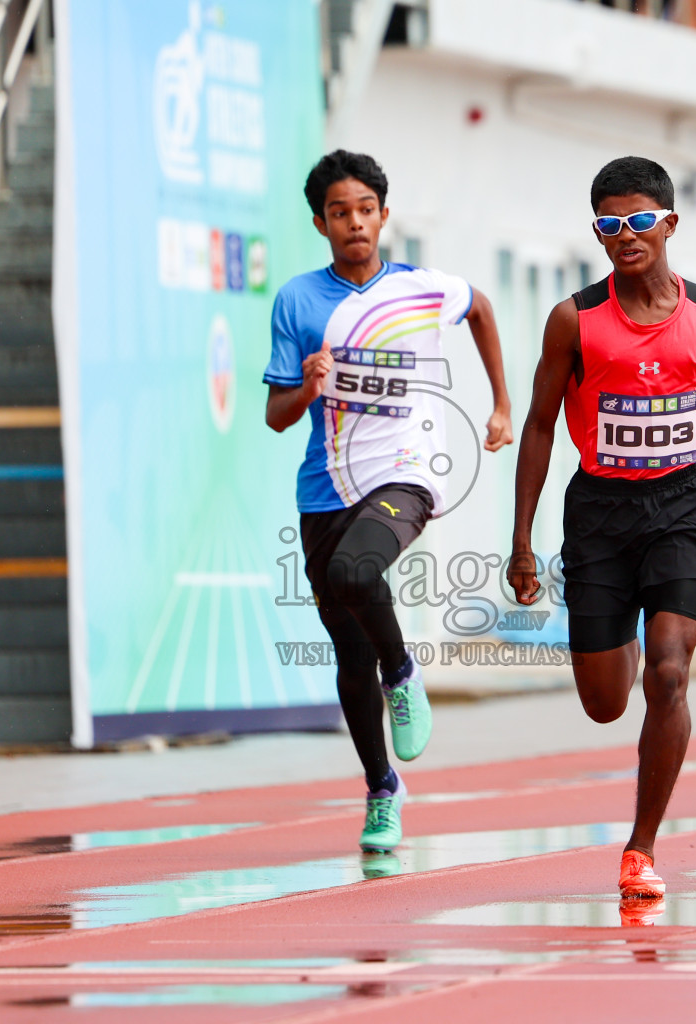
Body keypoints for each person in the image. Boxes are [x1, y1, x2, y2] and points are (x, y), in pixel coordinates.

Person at [507, 156, 696, 908]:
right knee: (604, 701)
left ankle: (640, 847)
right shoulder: (574, 320)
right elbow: (538, 425)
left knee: (671, 675)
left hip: (685, 505)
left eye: (640, 222)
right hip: (599, 510)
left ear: (669, 225)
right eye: (610, 225)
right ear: (598, 230)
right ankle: (616, 625)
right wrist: (522, 540)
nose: (626, 237)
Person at [264, 150, 514, 854]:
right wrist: (308, 388)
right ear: (320, 222)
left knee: (354, 573)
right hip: (324, 489)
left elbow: (483, 310)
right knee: (347, 652)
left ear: (383, 214)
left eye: (365, 210)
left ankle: (402, 673)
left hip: (405, 475)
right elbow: (276, 415)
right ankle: (382, 789)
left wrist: (500, 403)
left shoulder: (421, 288)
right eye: (339, 213)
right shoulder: (298, 301)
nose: (354, 224)